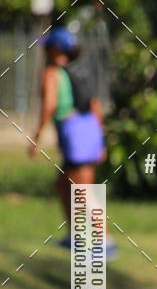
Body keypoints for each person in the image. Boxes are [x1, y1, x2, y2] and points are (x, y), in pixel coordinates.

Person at [28, 26, 116, 257]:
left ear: (55, 49)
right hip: (88, 130)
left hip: (74, 132)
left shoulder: (51, 72)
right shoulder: (80, 71)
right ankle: (76, 236)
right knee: (63, 184)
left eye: (47, 46)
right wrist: (101, 141)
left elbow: (49, 105)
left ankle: (105, 240)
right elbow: (96, 106)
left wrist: (35, 137)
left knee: (82, 189)